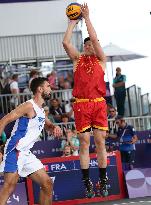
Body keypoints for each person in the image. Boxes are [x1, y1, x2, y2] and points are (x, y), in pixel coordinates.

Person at [63, 3, 108, 198]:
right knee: (83, 142)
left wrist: (87, 18)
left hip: (98, 102)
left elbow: (95, 39)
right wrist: (72, 23)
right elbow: (65, 43)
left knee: (100, 142)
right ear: (83, 47)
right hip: (82, 104)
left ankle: (104, 179)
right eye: (86, 44)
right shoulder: (77, 60)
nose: (89, 46)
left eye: (92, 44)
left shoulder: (101, 59)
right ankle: (86, 181)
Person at [0, 77, 62, 205]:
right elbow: (4, 120)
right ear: (40, 89)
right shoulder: (28, 106)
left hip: (26, 153)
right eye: (48, 86)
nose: (50, 88)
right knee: (9, 187)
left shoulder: (41, 110)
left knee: (47, 184)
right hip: (15, 149)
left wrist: (54, 127)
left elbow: (48, 125)